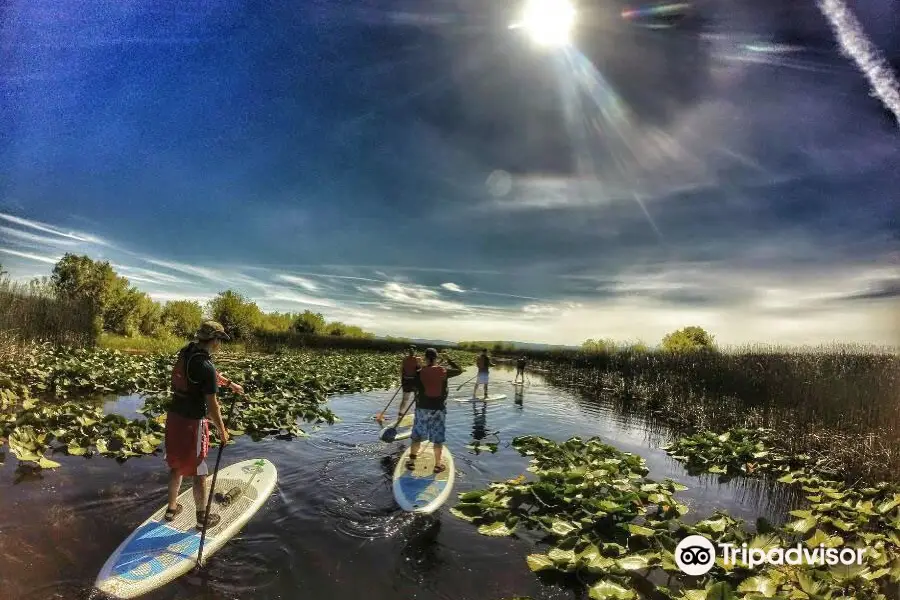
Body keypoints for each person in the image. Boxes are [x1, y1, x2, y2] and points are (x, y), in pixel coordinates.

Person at [164, 320, 244, 530]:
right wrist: (223, 431)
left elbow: (208, 375)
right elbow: (212, 406)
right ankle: (202, 518)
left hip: (174, 418)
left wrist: (229, 383)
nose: (220, 344)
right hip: (192, 423)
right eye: (220, 340)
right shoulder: (206, 365)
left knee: (176, 465)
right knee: (200, 470)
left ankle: (171, 509)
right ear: (215, 340)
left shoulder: (188, 351)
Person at [407, 348, 462, 473]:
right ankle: (437, 465)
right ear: (436, 358)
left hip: (422, 409)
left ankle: (411, 462)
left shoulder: (419, 372)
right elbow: (459, 370)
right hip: (438, 409)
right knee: (437, 439)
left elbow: (412, 385)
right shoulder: (444, 371)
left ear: (425, 358)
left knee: (417, 437)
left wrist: (419, 367)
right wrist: (448, 358)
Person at [397, 346, 421, 421]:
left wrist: (402, 381)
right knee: (417, 398)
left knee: (405, 399)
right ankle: (418, 414)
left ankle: (400, 414)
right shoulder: (418, 359)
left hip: (406, 381)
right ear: (415, 352)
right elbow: (422, 369)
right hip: (414, 381)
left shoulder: (404, 359)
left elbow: (401, 371)